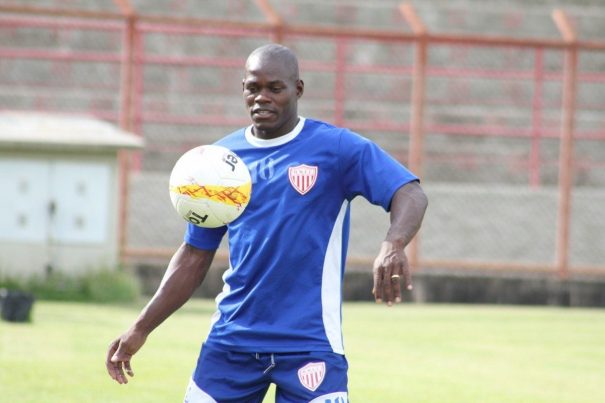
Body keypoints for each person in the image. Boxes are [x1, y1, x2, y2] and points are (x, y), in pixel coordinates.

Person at [106, 43, 428, 403]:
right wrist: (140, 329)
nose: (262, 97)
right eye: (253, 88)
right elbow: (194, 256)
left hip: (310, 344)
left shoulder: (336, 149)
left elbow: (409, 193)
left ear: (298, 90)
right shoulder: (218, 163)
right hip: (232, 342)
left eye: (275, 88)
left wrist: (394, 243)